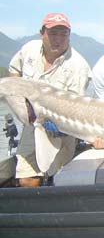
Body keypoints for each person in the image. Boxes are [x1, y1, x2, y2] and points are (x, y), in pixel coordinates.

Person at [8, 12, 90, 187]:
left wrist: (61, 128)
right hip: (33, 124)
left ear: (69, 35)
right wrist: (18, 97)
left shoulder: (78, 66)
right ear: (42, 33)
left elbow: (77, 111)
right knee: (27, 179)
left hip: (63, 128)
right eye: (53, 33)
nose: (58, 39)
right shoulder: (29, 49)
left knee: (59, 178)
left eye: (63, 34)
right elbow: (14, 70)